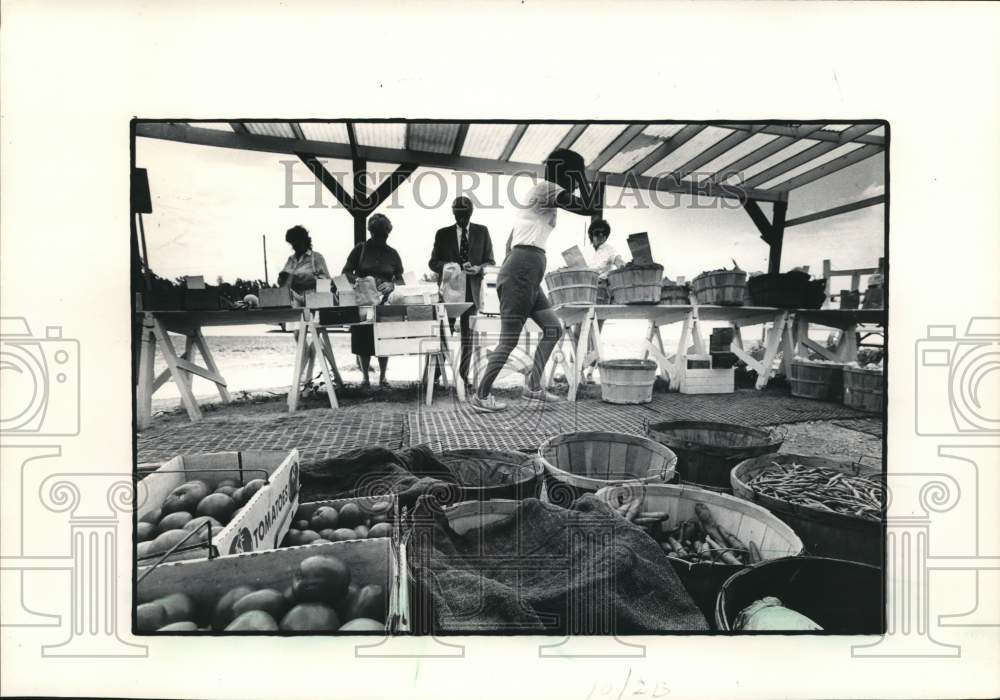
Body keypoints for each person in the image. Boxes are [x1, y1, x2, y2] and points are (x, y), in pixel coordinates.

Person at [471, 148, 599, 413]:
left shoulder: (544, 194)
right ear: (568, 172)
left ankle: (533, 386)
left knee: (553, 328)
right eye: (575, 177)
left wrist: (521, 267)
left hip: (527, 271)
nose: (576, 184)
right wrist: (583, 178)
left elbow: (511, 239)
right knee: (509, 340)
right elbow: (590, 207)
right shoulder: (547, 189)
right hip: (522, 271)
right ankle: (481, 395)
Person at [428, 196, 495, 389]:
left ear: (471, 212)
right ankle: (434, 376)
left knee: (468, 337)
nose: (462, 219)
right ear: (453, 213)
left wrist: (479, 269)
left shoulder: (482, 232)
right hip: (449, 293)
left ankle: (463, 378)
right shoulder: (442, 234)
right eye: (458, 215)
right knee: (442, 334)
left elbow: (490, 261)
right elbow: (433, 263)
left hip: (471, 293)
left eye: (465, 215)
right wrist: (452, 266)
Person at [342, 213, 404, 390]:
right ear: (370, 232)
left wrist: (391, 285)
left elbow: (401, 279)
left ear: (388, 233)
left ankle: (383, 377)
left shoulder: (393, 254)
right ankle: (365, 378)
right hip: (364, 299)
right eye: (376, 233)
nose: (380, 238)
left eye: (383, 234)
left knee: (384, 337)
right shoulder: (360, 249)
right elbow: (346, 272)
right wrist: (362, 280)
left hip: (385, 302)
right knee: (363, 337)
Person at [277, 225, 331, 304]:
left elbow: (326, 281)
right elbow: (283, 283)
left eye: (297, 243)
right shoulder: (291, 259)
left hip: (313, 300)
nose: (294, 246)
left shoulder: (316, 257)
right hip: (293, 300)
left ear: (304, 241)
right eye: (292, 244)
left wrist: (305, 280)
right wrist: (282, 278)